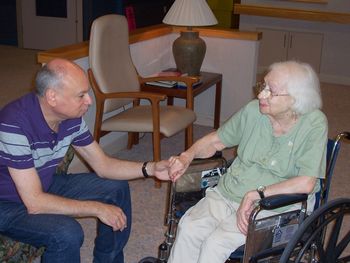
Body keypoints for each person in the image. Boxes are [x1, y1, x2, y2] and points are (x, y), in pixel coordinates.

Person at [0, 58, 171, 263]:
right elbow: (35, 202)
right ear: (52, 97)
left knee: (116, 189)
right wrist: (97, 208)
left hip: (42, 184)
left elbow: (103, 165)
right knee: (66, 233)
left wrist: (151, 168)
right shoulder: (14, 124)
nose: (89, 101)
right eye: (81, 95)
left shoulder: (70, 118)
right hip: (8, 204)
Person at [167, 60, 328, 263]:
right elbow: (216, 140)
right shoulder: (253, 111)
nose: (261, 95)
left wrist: (256, 194)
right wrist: (186, 156)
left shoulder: (314, 123)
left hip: (275, 204)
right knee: (189, 227)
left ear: (296, 99)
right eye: (263, 86)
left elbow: (306, 182)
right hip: (231, 190)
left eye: (271, 91)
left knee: (215, 243)